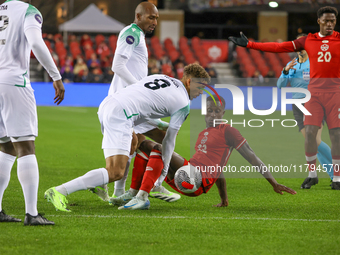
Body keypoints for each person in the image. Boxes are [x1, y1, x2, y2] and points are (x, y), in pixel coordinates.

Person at [44, 63, 209, 212]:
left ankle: (110, 188)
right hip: (123, 114)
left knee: (129, 149)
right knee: (116, 171)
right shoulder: (183, 104)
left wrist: (160, 124)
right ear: (189, 82)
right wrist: (162, 175)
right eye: (200, 87)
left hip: (109, 105)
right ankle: (60, 191)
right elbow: (169, 141)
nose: (201, 92)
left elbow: (144, 101)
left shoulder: (161, 77)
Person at [112, 95, 296, 210]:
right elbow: (219, 169)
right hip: (188, 176)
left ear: (223, 113)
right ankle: (135, 193)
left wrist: (273, 182)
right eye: (210, 110)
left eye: (217, 111)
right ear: (204, 112)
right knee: (143, 144)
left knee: (159, 149)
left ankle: (142, 197)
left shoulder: (229, 131)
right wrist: (224, 199)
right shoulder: (204, 133)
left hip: (197, 180)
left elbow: (252, 157)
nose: (213, 114)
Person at [228, 6, 340, 190]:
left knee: (335, 135)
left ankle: (337, 177)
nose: (329, 24)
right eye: (326, 20)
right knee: (311, 136)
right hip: (313, 96)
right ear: (319, 21)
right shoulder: (308, 40)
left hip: (335, 94)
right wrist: (250, 45)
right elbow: (278, 47)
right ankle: (312, 175)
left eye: (333, 21)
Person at [102, 2, 179, 202]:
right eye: (151, 17)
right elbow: (117, 65)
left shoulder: (138, 35)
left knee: (136, 143)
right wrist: (140, 88)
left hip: (132, 99)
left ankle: (124, 192)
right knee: (154, 139)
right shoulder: (132, 33)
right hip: (128, 100)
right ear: (138, 16)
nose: (155, 22)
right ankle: (155, 185)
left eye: (156, 18)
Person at [0, 0, 65, 225]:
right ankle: (32, 213)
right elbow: (36, 43)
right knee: (25, 146)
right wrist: (56, 76)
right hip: (14, 83)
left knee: (5, 146)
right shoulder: (28, 11)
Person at [277, 34, 333, 188]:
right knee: (312, 142)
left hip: (314, 102)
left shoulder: (315, 62)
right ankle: (331, 174)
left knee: (315, 140)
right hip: (297, 105)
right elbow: (280, 85)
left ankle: (327, 174)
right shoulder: (292, 64)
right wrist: (286, 71)